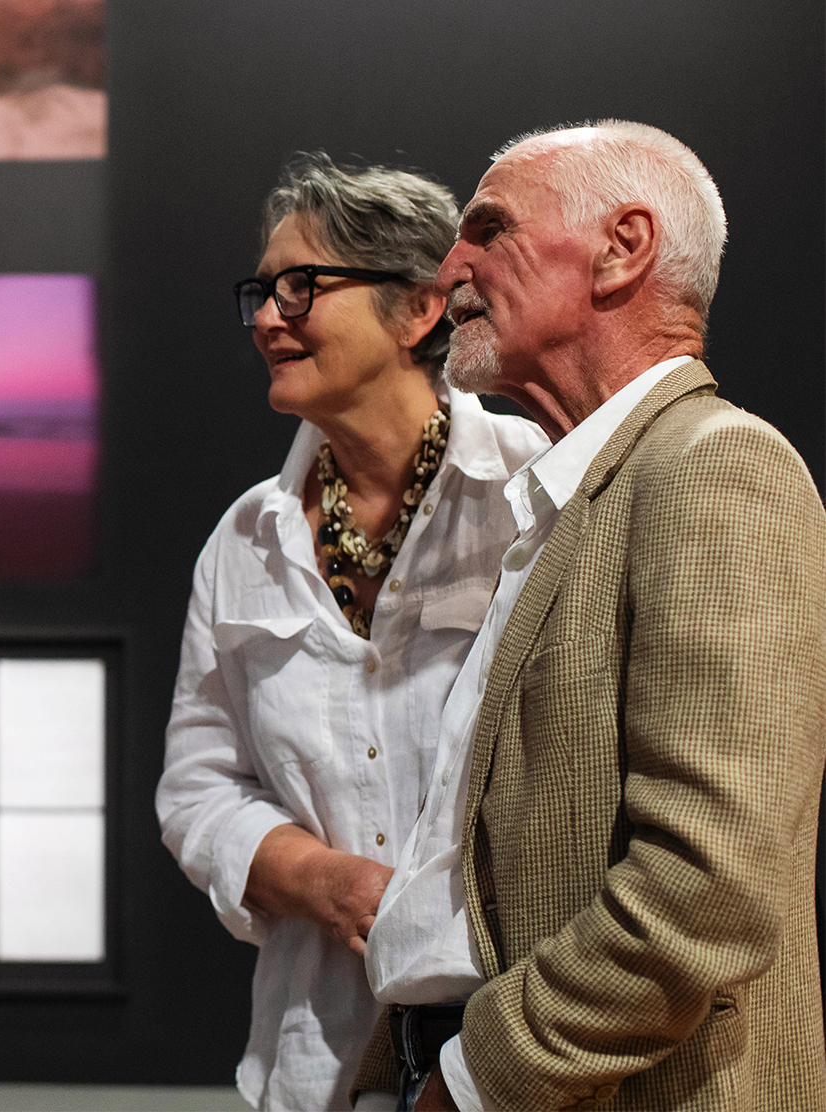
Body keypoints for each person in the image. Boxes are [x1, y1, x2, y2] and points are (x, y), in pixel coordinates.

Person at [361, 120, 826, 1111]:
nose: (448, 268)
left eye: (485, 228)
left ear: (622, 248)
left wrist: (468, 1076)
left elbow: (704, 891)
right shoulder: (576, 500)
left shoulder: (711, 466)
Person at [157, 154, 547, 1111]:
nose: (266, 317)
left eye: (304, 286)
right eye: (261, 290)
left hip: (512, 1051)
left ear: (419, 310)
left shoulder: (537, 493)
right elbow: (197, 784)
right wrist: (321, 880)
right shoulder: (246, 538)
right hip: (316, 1058)